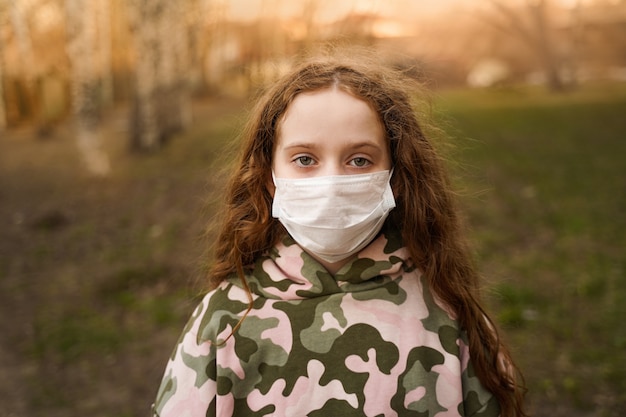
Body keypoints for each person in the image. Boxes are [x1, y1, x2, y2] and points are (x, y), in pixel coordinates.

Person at [152, 51, 527, 417]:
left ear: (396, 177)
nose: (331, 182)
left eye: (359, 160)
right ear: (269, 178)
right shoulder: (226, 319)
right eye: (304, 159)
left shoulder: (447, 314)